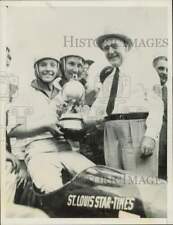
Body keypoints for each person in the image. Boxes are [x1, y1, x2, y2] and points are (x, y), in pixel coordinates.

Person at [8, 56, 95, 194]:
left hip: (65, 149)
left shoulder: (64, 93)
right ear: (36, 68)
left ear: (58, 68)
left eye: (52, 65)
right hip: (39, 151)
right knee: (53, 191)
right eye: (43, 65)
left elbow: (72, 122)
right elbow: (13, 130)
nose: (48, 69)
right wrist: (45, 126)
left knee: (96, 180)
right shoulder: (25, 94)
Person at [86, 29, 163, 177]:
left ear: (126, 47)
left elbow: (157, 105)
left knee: (141, 185)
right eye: (106, 48)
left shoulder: (144, 70)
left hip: (137, 130)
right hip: (111, 134)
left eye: (115, 46)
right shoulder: (108, 79)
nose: (110, 51)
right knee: (118, 186)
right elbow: (96, 109)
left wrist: (151, 136)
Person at [153, 56, 168, 180]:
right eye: (161, 68)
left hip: (165, 153)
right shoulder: (143, 90)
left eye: (167, 70)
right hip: (147, 149)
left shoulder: (168, 92)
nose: (164, 72)